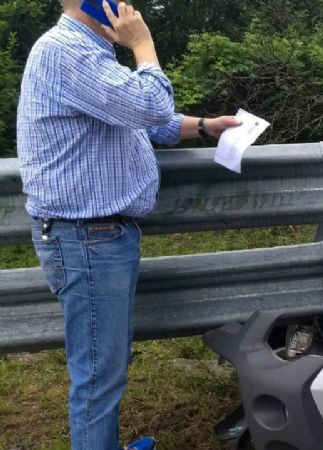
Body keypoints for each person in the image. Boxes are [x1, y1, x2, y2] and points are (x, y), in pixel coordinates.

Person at [16, 1, 242, 449]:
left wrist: (203, 127)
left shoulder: (87, 51)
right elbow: (149, 105)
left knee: (105, 368)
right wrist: (143, 43)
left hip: (95, 236)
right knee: (98, 377)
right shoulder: (66, 51)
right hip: (86, 238)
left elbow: (144, 120)